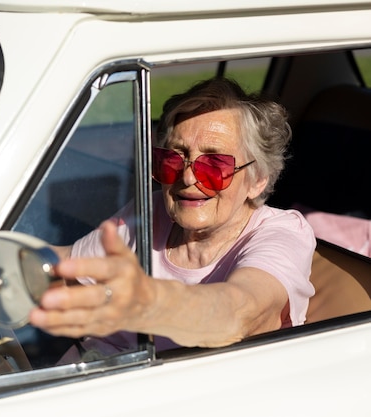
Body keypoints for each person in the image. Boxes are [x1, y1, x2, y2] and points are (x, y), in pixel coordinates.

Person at [28, 77, 316, 354]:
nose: (188, 177)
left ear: (258, 180)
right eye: (173, 159)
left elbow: (240, 313)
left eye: (214, 164)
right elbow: (66, 270)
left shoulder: (283, 233)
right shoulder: (153, 211)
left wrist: (147, 301)